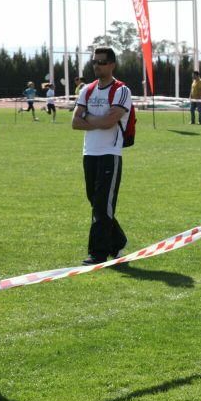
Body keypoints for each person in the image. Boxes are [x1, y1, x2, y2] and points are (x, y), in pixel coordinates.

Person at [72, 47, 132, 265]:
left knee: (102, 204)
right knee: (95, 201)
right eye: (94, 62)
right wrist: (99, 120)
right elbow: (74, 122)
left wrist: (89, 117)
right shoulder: (87, 90)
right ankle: (117, 240)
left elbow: (109, 122)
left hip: (110, 153)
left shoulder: (121, 90)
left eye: (102, 62)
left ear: (112, 65)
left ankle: (97, 253)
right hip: (90, 153)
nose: (97, 65)